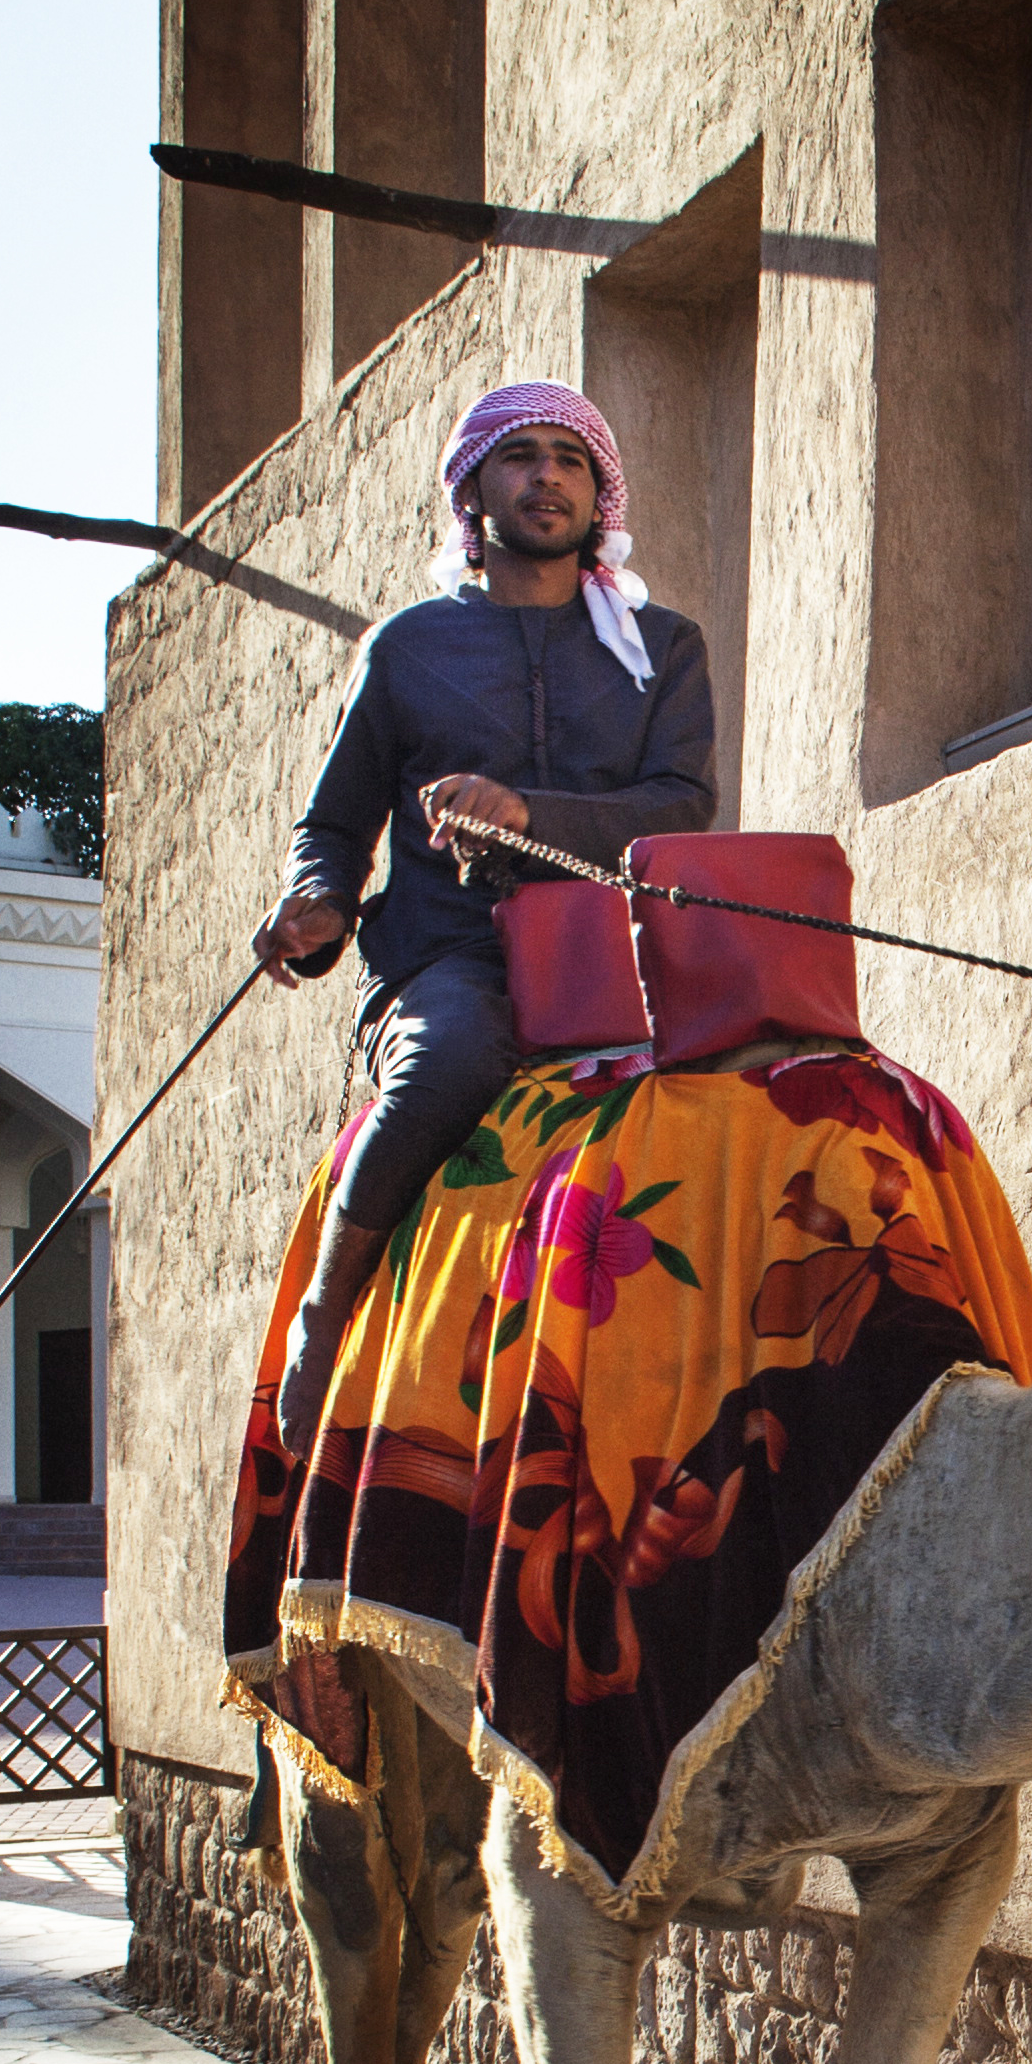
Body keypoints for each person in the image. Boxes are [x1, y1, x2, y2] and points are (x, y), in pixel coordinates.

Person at [254, 381, 718, 1443]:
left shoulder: (666, 645)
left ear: (602, 492)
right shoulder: (408, 649)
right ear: (474, 493)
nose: (547, 476)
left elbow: (685, 806)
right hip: (446, 959)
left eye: (570, 458)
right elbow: (333, 826)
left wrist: (527, 812)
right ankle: (327, 1315)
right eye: (519, 457)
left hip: (619, 953)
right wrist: (317, 901)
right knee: (455, 1058)